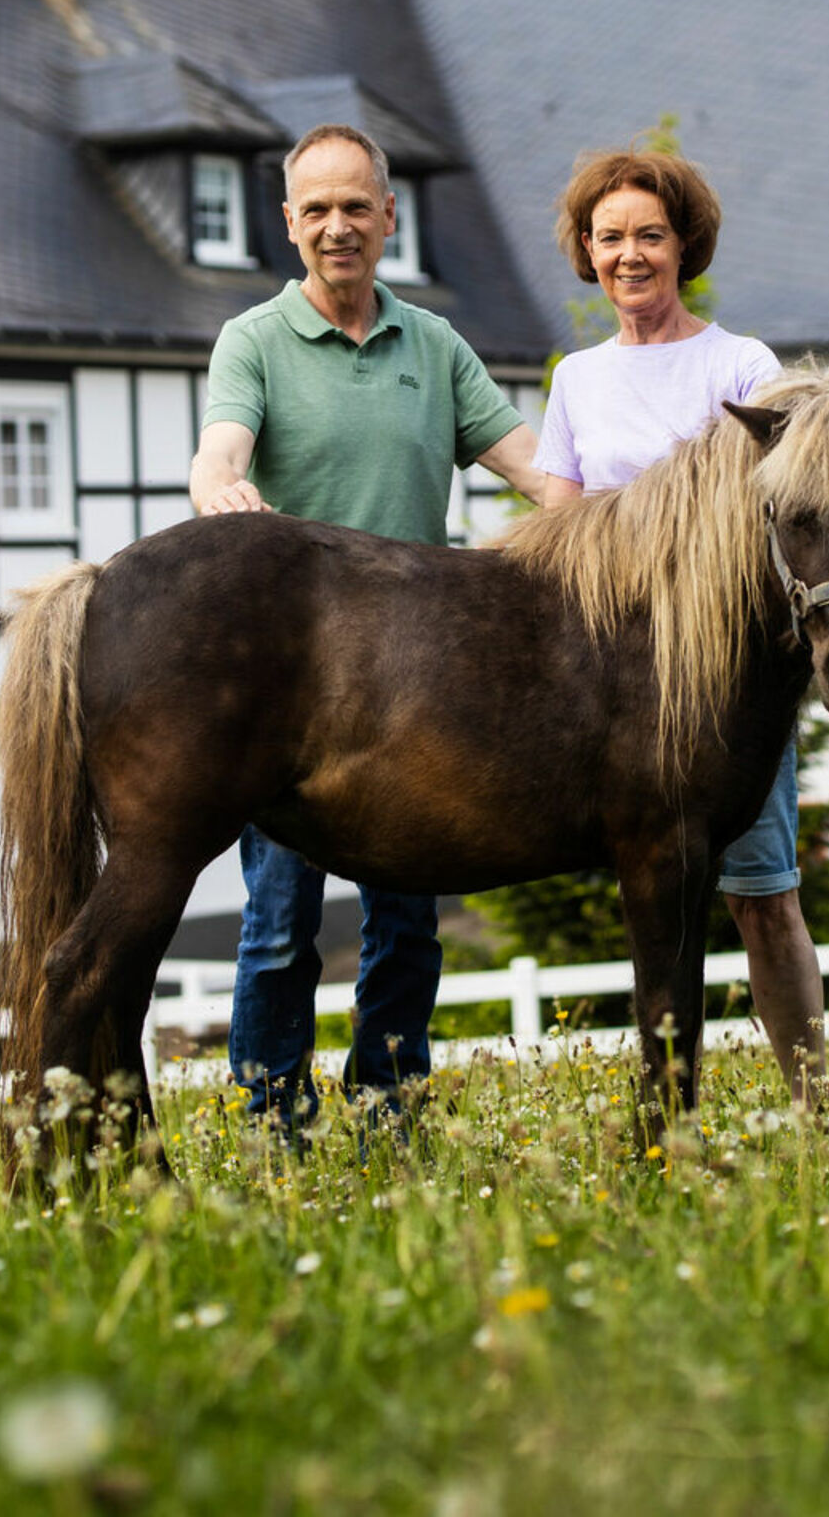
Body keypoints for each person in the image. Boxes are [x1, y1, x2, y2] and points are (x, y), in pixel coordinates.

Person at [190, 124, 545, 1131]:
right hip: (295, 695)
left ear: (390, 217)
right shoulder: (252, 340)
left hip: (419, 686)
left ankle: (390, 1110)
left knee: (406, 924)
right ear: (289, 224)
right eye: (318, 209)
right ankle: (271, 1123)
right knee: (277, 927)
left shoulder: (433, 344)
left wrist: (652, 517)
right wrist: (221, 489)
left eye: (358, 206)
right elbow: (220, 450)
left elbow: (535, 472)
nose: (338, 226)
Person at [535, 145, 824, 1107]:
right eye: (609, 237)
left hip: (723, 680)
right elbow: (561, 532)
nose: (630, 255)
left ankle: (814, 1105)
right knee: (653, 901)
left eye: (649, 235)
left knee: (765, 899)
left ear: (684, 244)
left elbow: (783, 510)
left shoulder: (742, 366)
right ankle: (672, 1104)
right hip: (611, 688)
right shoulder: (577, 377)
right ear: (587, 251)